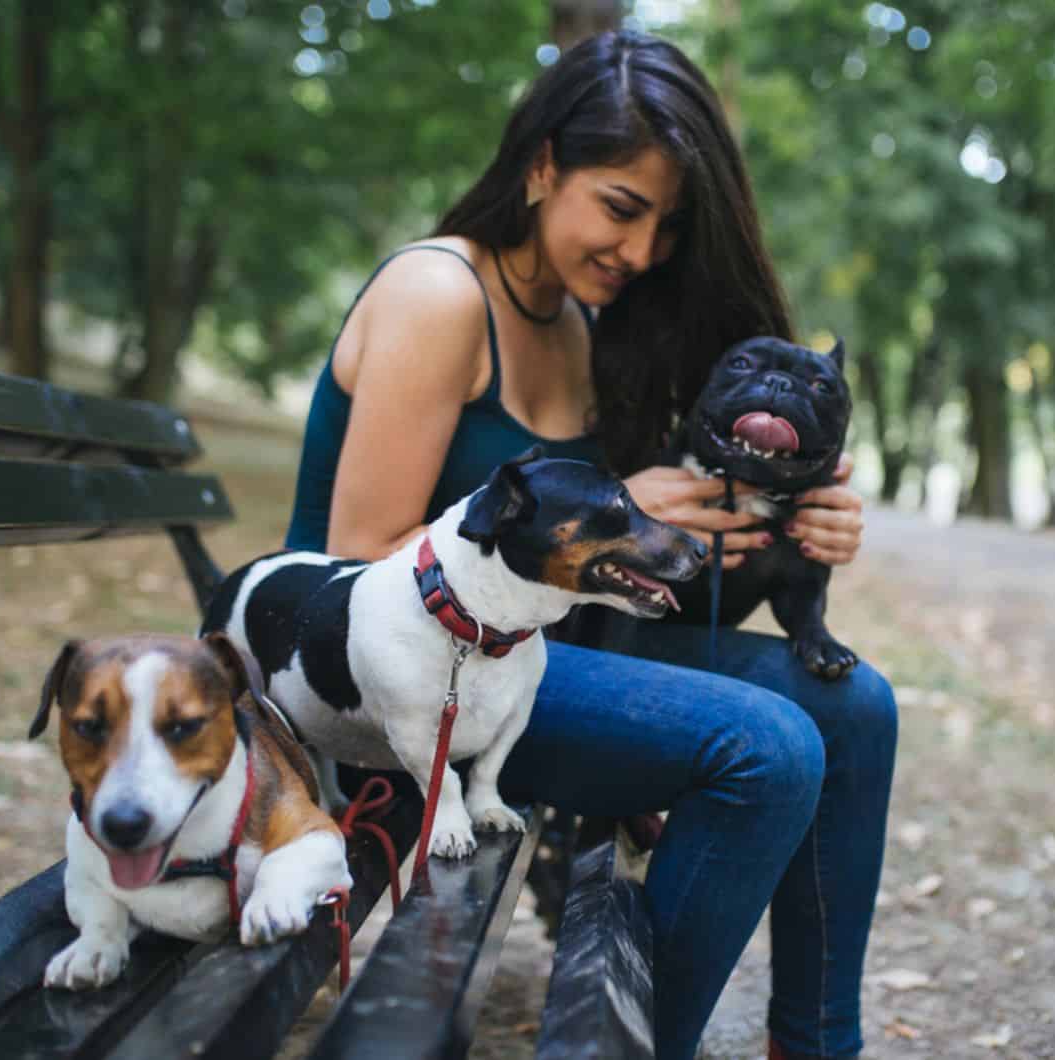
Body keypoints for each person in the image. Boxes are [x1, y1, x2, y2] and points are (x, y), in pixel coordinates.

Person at [284, 30, 896, 1060]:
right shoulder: (439, 295)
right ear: (540, 166)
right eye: (621, 206)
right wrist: (621, 501)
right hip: (385, 677)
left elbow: (574, 553)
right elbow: (361, 563)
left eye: (664, 225)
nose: (642, 250)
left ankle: (817, 1043)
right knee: (768, 747)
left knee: (853, 704)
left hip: (518, 657)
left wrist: (794, 517)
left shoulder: (571, 319)